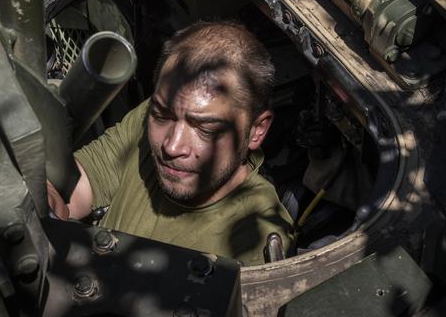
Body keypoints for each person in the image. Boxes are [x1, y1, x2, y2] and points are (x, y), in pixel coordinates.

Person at [47, 21, 293, 265]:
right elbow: (79, 185)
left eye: (205, 130)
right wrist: (46, 196)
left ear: (256, 131)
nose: (172, 146)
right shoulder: (154, 116)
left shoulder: (256, 238)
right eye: (162, 116)